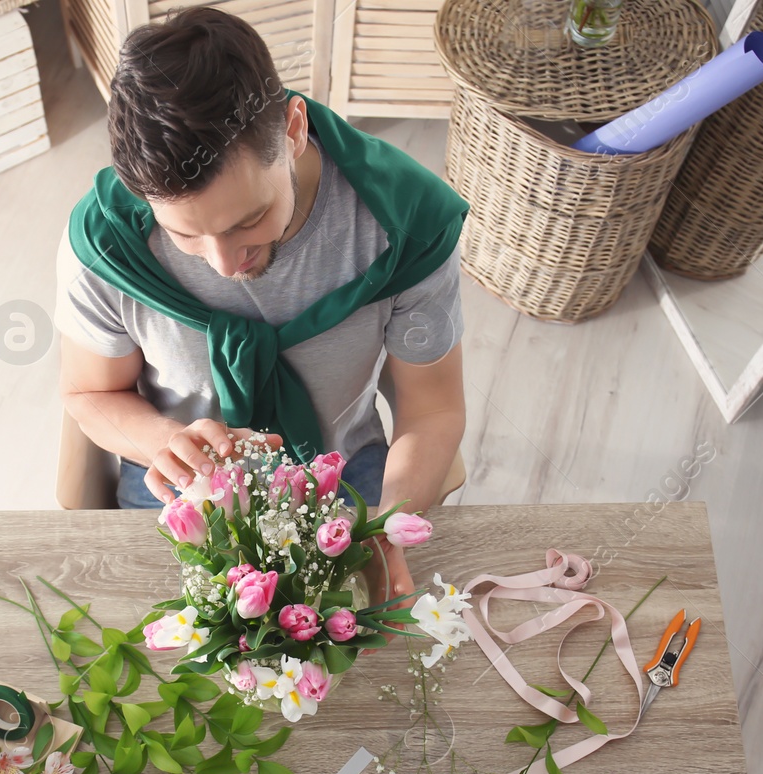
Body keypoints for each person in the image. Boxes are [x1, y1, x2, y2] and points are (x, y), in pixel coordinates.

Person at [55, 7, 467, 602]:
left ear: (293, 127)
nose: (224, 265)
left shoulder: (405, 225)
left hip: (344, 475)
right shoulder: (107, 242)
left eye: (249, 220)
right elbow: (88, 393)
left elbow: (431, 410)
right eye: (185, 236)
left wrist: (385, 524)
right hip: (179, 490)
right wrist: (164, 442)